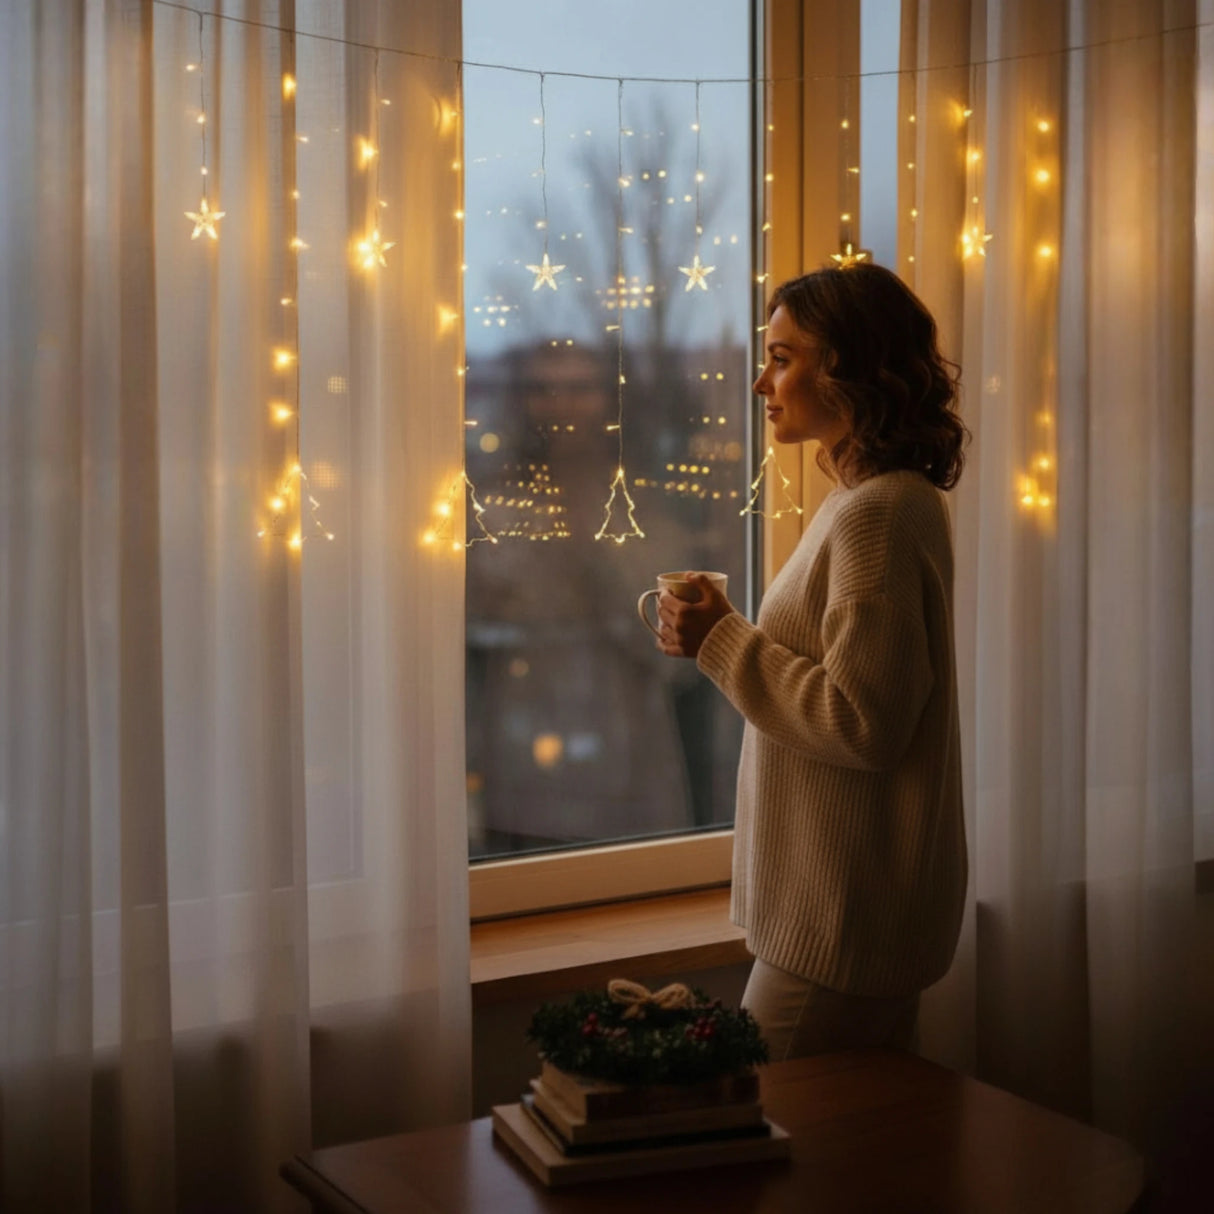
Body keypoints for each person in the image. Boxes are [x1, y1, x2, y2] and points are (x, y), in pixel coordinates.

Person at [655, 262, 969, 1061]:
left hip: (842, 924)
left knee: (783, 1160)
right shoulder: (872, 503)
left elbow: (864, 724)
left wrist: (721, 641)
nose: (762, 381)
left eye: (783, 357)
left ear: (851, 368)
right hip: (845, 915)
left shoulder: (879, 517)